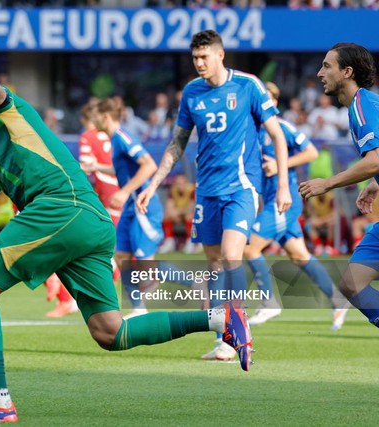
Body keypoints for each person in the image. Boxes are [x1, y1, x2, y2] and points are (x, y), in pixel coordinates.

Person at [0, 63, 253, 422]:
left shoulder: (0, 112)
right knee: (110, 333)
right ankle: (221, 318)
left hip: (60, 208)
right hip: (90, 221)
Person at [136, 30, 292, 362]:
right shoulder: (192, 93)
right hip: (206, 192)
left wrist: (282, 185)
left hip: (241, 188)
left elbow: (277, 136)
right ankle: (225, 339)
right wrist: (152, 184)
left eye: (204, 57)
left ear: (220, 55)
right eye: (195, 58)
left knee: (232, 254)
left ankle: (241, 323)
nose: (199, 63)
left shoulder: (248, 85)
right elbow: (177, 144)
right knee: (214, 265)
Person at [243, 82, 349, 330]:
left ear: (274, 103)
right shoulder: (254, 130)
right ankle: (338, 298)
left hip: (284, 201)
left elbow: (311, 152)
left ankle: (269, 303)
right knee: (300, 255)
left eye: (265, 99)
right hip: (271, 201)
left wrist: (281, 165)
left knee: (249, 249)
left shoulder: (281, 127)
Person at [299, 42, 379, 329]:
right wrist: (374, 184)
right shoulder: (360, 107)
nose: (320, 73)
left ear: (347, 71)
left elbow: (375, 159)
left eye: (327, 66)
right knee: (352, 284)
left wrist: (328, 183)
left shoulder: (363, 105)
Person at [90, 97, 164, 318]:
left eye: (95, 116)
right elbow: (124, 168)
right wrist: (97, 166)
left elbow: (149, 165)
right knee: (121, 256)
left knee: (145, 264)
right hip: (131, 208)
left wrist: (123, 192)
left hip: (143, 205)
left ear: (104, 116)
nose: (92, 122)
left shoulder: (122, 137)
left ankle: (196, 286)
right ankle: (139, 309)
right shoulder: (115, 139)